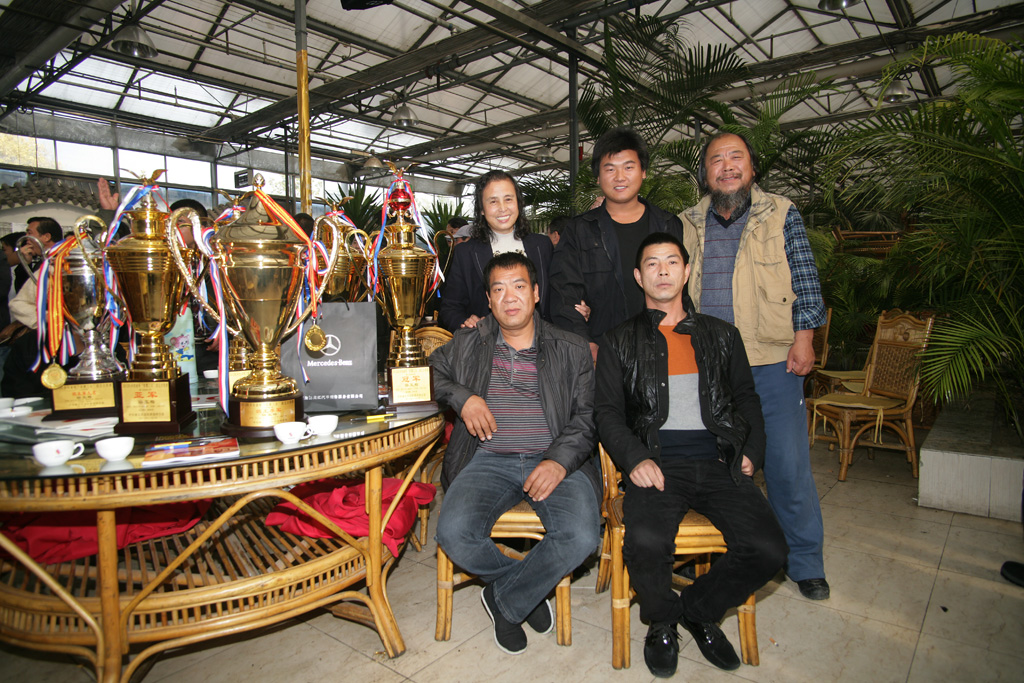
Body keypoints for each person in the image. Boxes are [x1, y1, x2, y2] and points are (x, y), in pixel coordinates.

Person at [595, 232, 787, 677]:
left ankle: (698, 611)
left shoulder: (722, 336)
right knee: (645, 542)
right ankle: (662, 621)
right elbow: (606, 413)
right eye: (652, 263)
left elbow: (747, 400)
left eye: (671, 261)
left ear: (686, 271)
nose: (662, 270)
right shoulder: (618, 340)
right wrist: (634, 458)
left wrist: (751, 452)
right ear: (638, 276)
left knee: (769, 548)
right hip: (657, 464)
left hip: (719, 462)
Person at [679, 131, 829, 601]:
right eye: (716, 160)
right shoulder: (688, 222)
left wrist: (804, 338)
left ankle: (805, 562)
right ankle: (723, 554)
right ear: (705, 173)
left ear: (752, 167)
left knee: (786, 464)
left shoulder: (781, 213)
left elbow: (806, 280)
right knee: (714, 465)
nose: (726, 166)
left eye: (735, 157)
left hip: (771, 361)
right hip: (707, 365)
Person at [431, 251, 601, 655]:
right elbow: (428, 373)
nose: (510, 297)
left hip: (554, 458)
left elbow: (587, 418)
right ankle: (525, 590)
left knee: (581, 537)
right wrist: (464, 398)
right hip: (488, 459)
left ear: (536, 293)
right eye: (499, 289)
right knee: (453, 533)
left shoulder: (572, 348)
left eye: (519, 286)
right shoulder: (469, 343)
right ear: (489, 300)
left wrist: (557, 461)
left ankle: (503, 598)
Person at [549, 127, 684, 361]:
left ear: (643, 172)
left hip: (662, 349)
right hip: (603, 353)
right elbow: (564, 294)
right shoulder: (579, 230)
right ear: (598, 176)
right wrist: (585, 344)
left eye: (628, 167)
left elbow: (684, 291)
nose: (620, 177)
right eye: (610, 169)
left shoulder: (668, 225)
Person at [439, 171, 553, 332]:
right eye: (493, 201)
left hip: (541, 340)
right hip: (488, 343)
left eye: (508, 199)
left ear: (518, 203)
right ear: (481, 209)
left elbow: (556, 297)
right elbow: (450, 307)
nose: (502, 208)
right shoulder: (466, 253)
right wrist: (466, 322)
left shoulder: (542, 245)